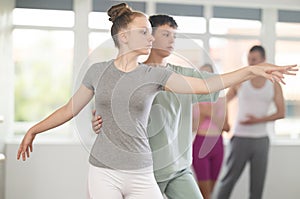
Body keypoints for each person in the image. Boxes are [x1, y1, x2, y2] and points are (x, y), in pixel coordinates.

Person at [17, 3, 296, 198]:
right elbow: (70, 108)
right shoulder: (98, 71)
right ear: (124, 36)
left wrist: (249, 70)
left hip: (146, 170)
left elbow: (206, 85)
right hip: (105, 169)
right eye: (146, 32)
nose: (151, 38)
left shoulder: (156, 75)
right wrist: (33, 129)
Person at [92, 15, 217, 199]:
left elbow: (217, 84)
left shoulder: (184, 76)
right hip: (145, 171)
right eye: (166, 34)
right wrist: (98, 122)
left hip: (179, 171)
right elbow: (107, 110)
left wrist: (248, 72)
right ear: (149, 35)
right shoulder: (133, 76)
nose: (172, 40)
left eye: (174, 36)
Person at [212, 45, 287, 199]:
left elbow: (281, 113)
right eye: (249, 59)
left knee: (257, 187)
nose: (251, 63)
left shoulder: (273, 84)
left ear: (264, 60)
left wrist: (257, 120)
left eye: (254, 60)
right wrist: (225, 123)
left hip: (261, 141)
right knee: (227, 182)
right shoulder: (241, 80)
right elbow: (223, 102)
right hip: (239, 138)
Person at [192, 64, 230, 199]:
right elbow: (191, 126)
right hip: (200, 144)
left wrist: (208, 112)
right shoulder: (194, 98)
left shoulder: (220, 98)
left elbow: (226, 127)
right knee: (205, 193)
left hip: (217, 144)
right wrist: (214, 115)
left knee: (212, 191)